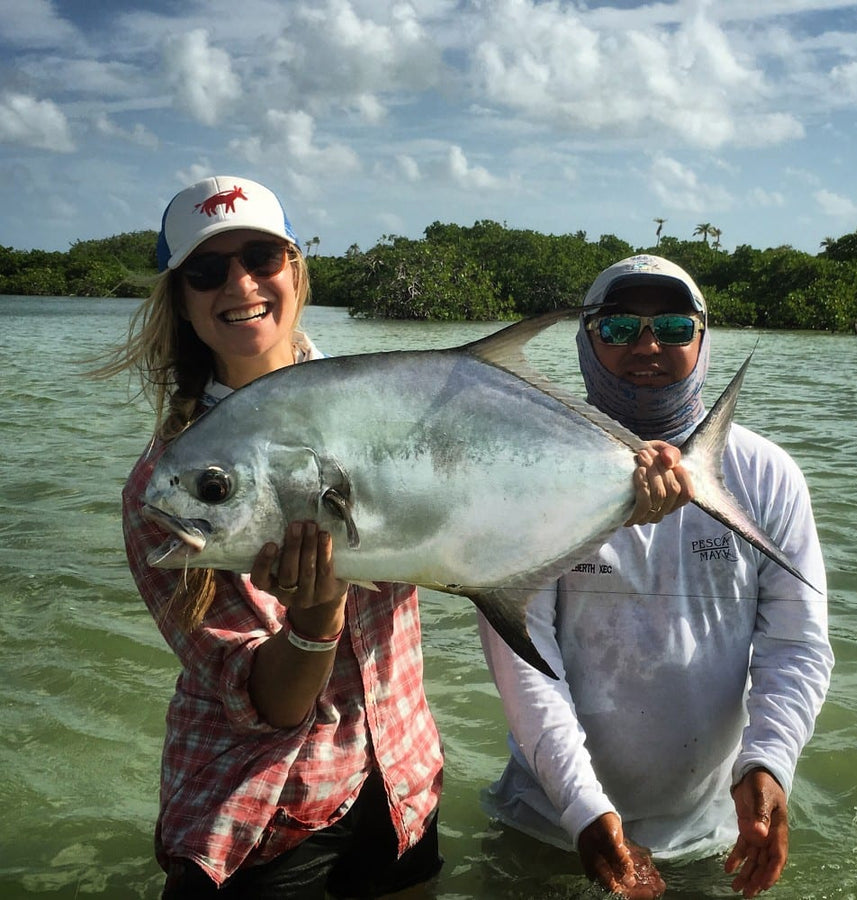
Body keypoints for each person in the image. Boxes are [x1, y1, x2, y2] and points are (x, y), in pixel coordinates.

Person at [105, 179, 691, 898]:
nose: (240, 283)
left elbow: (473, 514)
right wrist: (316, 623)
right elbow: (271, 705)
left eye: (261, 256)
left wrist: (614, 498)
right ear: (179, 295)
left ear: (295, 268)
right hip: (257, 824)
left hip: (403, 790)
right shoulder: (160, 492)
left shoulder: (388, 395)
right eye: (207, 269)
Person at [478, 254, 834, 899]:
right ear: (585, 341)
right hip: (546, 828)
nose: (647, 346)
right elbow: (525, 660)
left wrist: (771, 763)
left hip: (713, 836)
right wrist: (586, 812)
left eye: (673, 326)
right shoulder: (523, 475)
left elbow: (796, 643)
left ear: (702, 337)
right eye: (617, 329)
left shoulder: (766, 474)